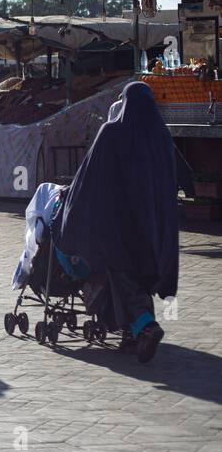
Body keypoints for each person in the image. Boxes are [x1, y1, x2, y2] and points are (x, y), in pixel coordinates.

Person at [55, 81, 177, 363]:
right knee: (138, 277)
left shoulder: (111, 133)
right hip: (152, 228)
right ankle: (133, 333)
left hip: (115, 227)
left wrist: (70, 212)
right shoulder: (161, 136)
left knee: (120, 274)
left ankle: (145, 326)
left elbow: (87, 178)